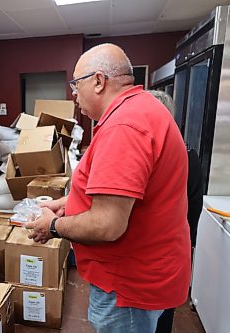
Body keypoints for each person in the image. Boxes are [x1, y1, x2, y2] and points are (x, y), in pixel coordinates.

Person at [25, 44, 191, 333]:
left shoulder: (124, 126)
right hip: (148, 274)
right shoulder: (141, 109)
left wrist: (54, 226)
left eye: (76, 84)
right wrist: (69, 203)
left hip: (128, 287)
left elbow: (107, 225)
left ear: (99, 81)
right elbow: (127, 195)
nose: (73, 93)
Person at [149, 90, 203, 333]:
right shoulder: (188, 153)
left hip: (157, 252)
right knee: (163, 315)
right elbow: (194, 207)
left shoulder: (159, 156)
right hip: (174, 252)